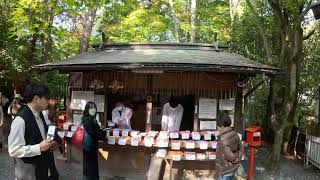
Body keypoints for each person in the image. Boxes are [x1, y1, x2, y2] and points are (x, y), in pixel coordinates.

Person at [8, 84, 57, 180]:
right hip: (28, 173)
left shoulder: (40, 114)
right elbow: (13, 150)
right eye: (46, 98)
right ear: (36, 98)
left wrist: (49, 144)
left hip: (41, 170)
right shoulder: (20, 120)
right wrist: (39, 147)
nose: (48, 101)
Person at [215, 112, 244, 180]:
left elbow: (231, 157)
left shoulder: (223, 139)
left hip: (225, 171)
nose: (217, 127)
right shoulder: (234, 133)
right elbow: (241, 147)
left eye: (217, 125)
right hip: (232, 168)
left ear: (221, 125)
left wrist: (235, 157)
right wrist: (238, 158)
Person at [81, 102, 106, 180]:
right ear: (87, 109)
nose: (93, 110)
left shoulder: (93, 119)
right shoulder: (87, 120)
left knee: (92, 167)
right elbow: (94, 133)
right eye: (91, 108)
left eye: (94, 108)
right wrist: (104, 133)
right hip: (89, 148)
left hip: (92, 147)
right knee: (90, 168)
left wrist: (102, 131)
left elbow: (96, 131)